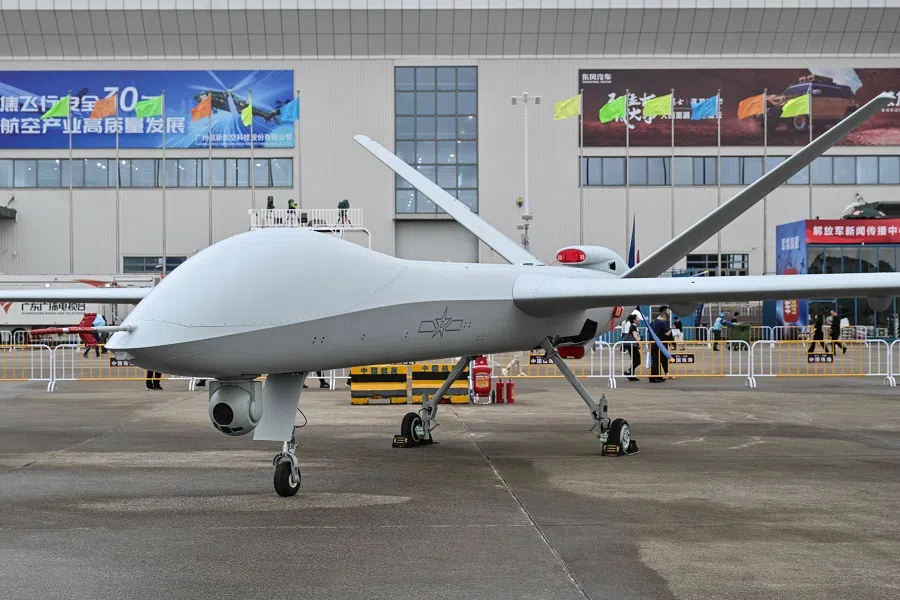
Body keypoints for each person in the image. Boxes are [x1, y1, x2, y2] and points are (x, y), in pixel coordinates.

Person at [649, 306, 672, 383]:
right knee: (657, 361)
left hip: (653, 344)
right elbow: (667, 333)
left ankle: (658, 376)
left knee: (657, 361)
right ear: (664, 312)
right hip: (660, 345)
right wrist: (671, 330)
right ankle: (653, 378)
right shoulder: (662, 323)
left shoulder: (652, 322)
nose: (669, 313)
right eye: (668, 311)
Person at [622, 313, 641, 381]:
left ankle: (631, 375)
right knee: (638, 361)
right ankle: (628, 372)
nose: (639, 319)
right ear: (634, 320)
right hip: (633, 346)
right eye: (637, 318)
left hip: (632, 346)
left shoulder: (633, 326)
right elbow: (635, 336)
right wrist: (640, 343)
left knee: (634, 360)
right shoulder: (633, 326)